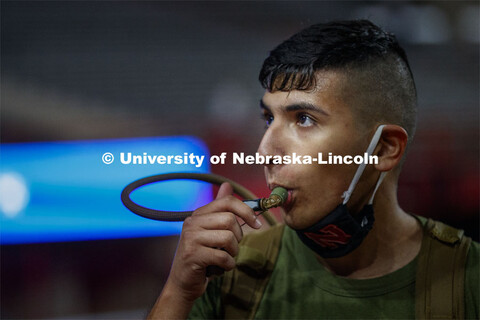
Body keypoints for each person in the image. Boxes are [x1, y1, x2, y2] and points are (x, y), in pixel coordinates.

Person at [147, 20, 479, 319]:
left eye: (304, 119)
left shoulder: (469, 278)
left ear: (383, 148)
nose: (264, 152)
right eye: (268, 118)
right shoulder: (230, 267)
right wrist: (178, 292)